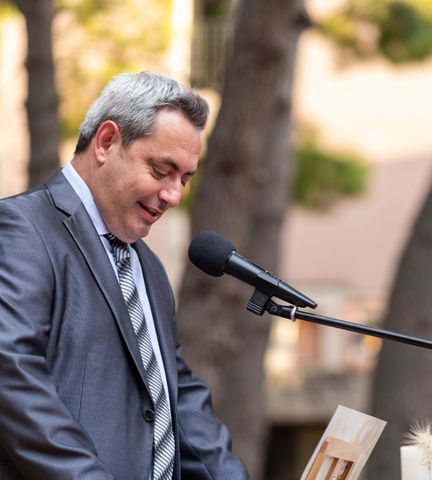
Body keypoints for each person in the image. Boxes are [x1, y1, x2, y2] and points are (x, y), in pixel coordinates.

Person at [0, 72, 249, 480]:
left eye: (185, 179)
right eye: (161, 170)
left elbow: (177, 398)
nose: (174, 195)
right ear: (106, 142)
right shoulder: (20, 229)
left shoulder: (147, 266)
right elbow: (12, 375)